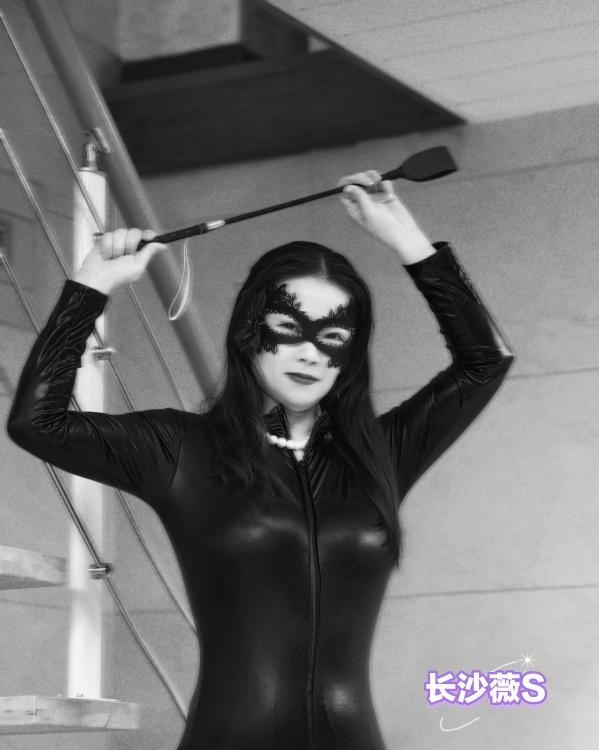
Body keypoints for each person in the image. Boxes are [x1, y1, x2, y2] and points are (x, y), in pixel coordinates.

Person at [6, 170, 514, 750]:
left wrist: (407, 239)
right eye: (288, 328)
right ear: (250, 331)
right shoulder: (180, 448)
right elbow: (37, 422)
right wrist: (91, 286)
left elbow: (486, 360)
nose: (310, 353)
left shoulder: (381, 454)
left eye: (333, 338)